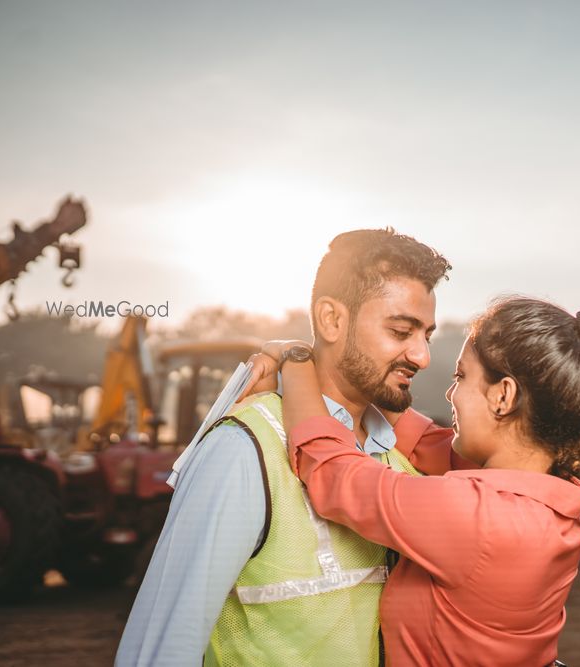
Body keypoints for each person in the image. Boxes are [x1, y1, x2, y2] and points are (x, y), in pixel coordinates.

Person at [115, 229, 456, 666]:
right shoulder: (243, 449)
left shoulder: (397, 458)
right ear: (332, 320)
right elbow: (162, 648)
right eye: (401, 330)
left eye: (425, 334)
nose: (422, 356)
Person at [265, 297, 580, 666]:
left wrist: (297, 360)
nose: (450, 394)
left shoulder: (476, 517)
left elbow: (331, 471)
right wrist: (370, 378)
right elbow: (429, 442)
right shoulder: (552, 494)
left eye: (461, 376)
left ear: (503, 395)